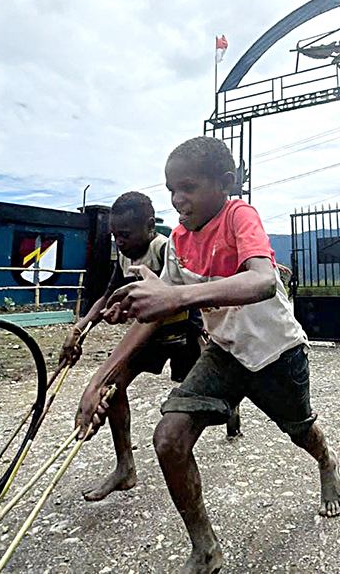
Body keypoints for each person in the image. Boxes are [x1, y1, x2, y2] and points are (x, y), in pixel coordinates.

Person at [76, 136, 340, 574]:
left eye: (188, 187)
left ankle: (326, 461)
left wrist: (177, 296)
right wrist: (100, 378)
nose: (178, 200)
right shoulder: (179, 239)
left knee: (299, 430)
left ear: (225, 183)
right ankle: (205, 549)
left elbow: (261, 282)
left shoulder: (241, 216)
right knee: (169, 438)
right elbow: (153, 314)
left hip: (276, 352)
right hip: (225, 354)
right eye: (171, 191)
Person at [60, 191, 241, 502]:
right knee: (114, 384)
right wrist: (81, 327)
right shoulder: (124, 255)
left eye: (125, 235)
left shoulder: (166, 248)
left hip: (183, 331)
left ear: (149, 226)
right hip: (148, 336)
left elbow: (162, 304)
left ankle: (233, 410)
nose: (119, 241)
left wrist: (129, 309)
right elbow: (109, 294)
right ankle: (125, 467)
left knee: (208, 394)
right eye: (114, 235)